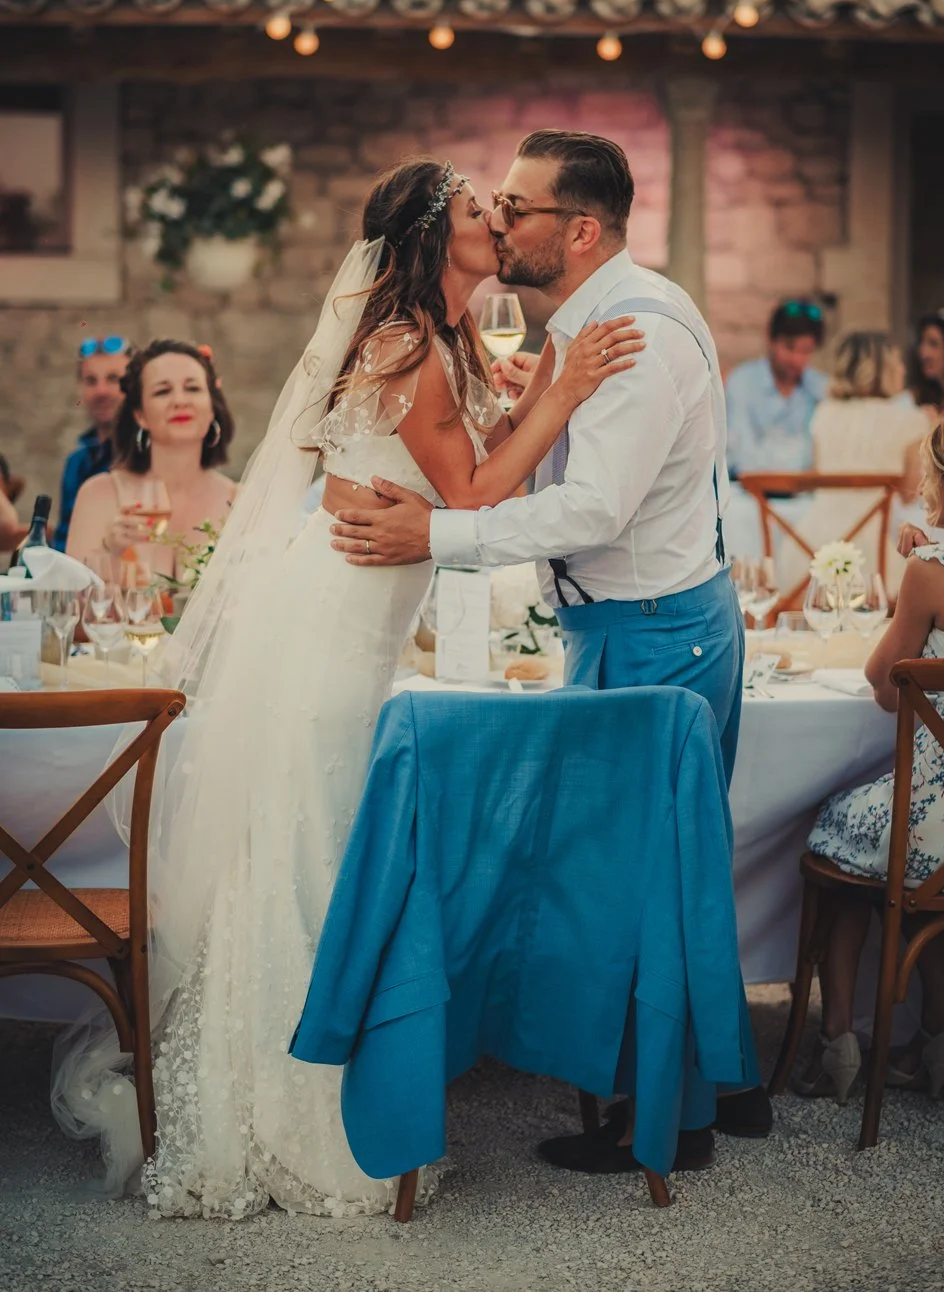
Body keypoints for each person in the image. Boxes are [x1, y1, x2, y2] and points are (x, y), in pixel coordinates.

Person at [53, 158, 641, 1218]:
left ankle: (328, 1091)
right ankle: (292, 1118)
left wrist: (525, 405)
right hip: (330, 628)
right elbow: (467, 493)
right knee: (311, 855)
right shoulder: (410, 344)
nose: (496, 223)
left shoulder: (448, 339)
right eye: (476, 212)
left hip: (361, 624)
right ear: (434, 238)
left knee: (317, 848)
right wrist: (565, 389)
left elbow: (460, 475)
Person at [328, 129, 768, 1174]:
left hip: (651, 630)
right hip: (642, 620)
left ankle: (670, 1121)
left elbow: (592, 510)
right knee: (658, 869)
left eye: (516, 208)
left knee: (630, 879)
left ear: (577, 230)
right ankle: (711, 1088)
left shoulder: (635, 333)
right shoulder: (596, 320)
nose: (497, 220)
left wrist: (432, 535)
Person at [800, 402, 944, 1102]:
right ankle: (942, 1038)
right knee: (919, 863)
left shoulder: (932, 575)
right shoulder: (940, 564)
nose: (923, 488)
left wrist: (918, 580)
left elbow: (885, 689)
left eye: (932, 476)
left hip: (942, 828)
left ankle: (839, 1044)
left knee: (839, 832)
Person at [775, 331, 931, 597]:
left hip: (811, 554)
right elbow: (910, 494)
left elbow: (816, 471)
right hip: (875, 561)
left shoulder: (824, 413)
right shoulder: (909, 419)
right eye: (897, 361)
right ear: (884, 369)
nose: (903, 368)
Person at [65, 340, 237, 582]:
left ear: (211, 409)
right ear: (141, 415)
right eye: (162, 391)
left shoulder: (239, 502)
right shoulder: (98, 495)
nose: (179, 400)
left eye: (193, 388)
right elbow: (71, 609)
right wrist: (110, 551)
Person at [724, 300, 828, 479]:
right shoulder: (742, 382)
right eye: (789, 348)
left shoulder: (820, 387)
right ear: (770, 341)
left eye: (805, 351)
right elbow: (740, 454)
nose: (796, 359)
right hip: (749, 495)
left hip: (806, 495)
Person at [53, 335, 133, 551]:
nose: (101, 391)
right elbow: (63, 541)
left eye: (114, 379)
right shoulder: (75, 463)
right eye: (91, 381)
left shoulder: (147, 455)